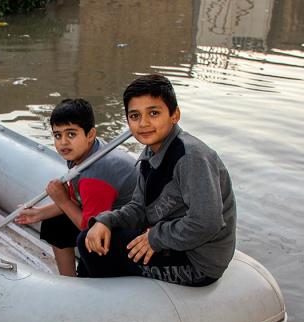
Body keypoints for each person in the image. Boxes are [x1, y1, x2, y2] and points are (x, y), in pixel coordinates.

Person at [78, 74, 236, 286]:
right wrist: (106, 220)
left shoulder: (191, 157)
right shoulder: (152, 154)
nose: (143, 123)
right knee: (92, 237)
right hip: (174, 241)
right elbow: (138, 208)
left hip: (198, 262)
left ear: (175, 115)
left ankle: (106, 305)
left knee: (97, 251)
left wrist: (156, 238)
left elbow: (207, 223)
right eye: (135, 116)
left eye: (153, 113)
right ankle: (91, 293)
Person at [15, 98, 137, 276]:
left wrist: (62, 201)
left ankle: (89, 280)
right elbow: (76, 199)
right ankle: (68, 279)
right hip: (109, 216)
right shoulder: (87, 152)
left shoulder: (96, 174)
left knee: (85, 239)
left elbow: (90, 227)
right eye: (57, 135)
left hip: (131, 232)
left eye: (71, 134)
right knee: (55, 223)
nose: (63, 142)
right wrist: (39, 213)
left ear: (90, 134)